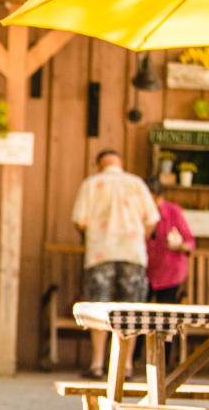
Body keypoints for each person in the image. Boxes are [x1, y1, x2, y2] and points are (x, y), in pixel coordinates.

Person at [72, 149, 158, 380]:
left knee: (99, 308)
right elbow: (151, 221)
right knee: (131, 310)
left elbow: (80, 221)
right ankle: (126, 366)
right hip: (132, 252)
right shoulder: (136, 184)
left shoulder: (92, 184)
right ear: (120, 163)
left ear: (98, 164)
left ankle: (97, 363)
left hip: (101, 252)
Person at [145, 176, 195, 303]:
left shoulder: (174, 212)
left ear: (160, 198)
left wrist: (178, 245)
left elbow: (190, 243)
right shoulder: (139, 211)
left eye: (152, 200)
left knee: (165, 314)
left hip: (169, 274)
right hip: (145, 273)